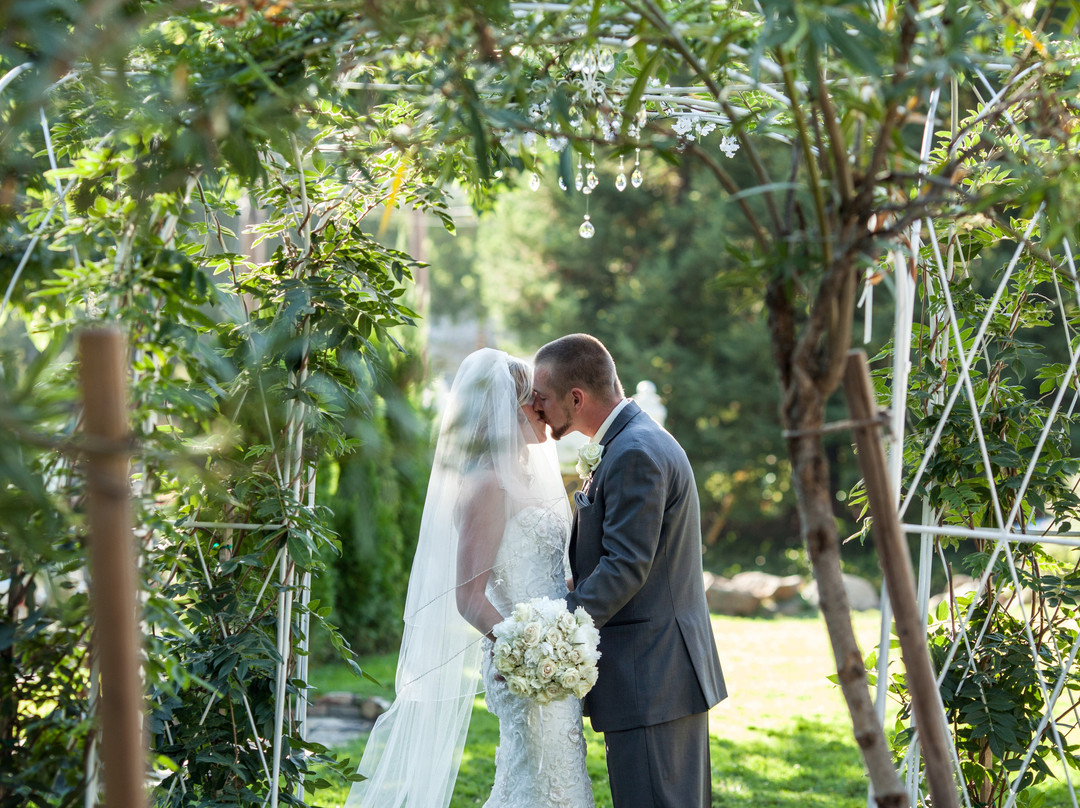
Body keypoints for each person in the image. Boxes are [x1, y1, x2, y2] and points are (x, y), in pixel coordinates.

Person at [345, 348, 594, 808]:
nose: (544, 409)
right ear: (503, 409)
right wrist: (526, 649)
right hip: (528, 663)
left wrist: (568, 639)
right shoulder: (486, 485)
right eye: (533, 400)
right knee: (537, 783)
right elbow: (469, 597)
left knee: (561, 779)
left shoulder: (522, 476)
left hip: (557, 660)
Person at [532, 333, 727, 808]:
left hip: (652, 677)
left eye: (541, 398)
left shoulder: (634, 452)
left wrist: (552, 631)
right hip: (655, 676)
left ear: (576, 399)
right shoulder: (628, 442)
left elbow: (625, 566)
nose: (535, 408)